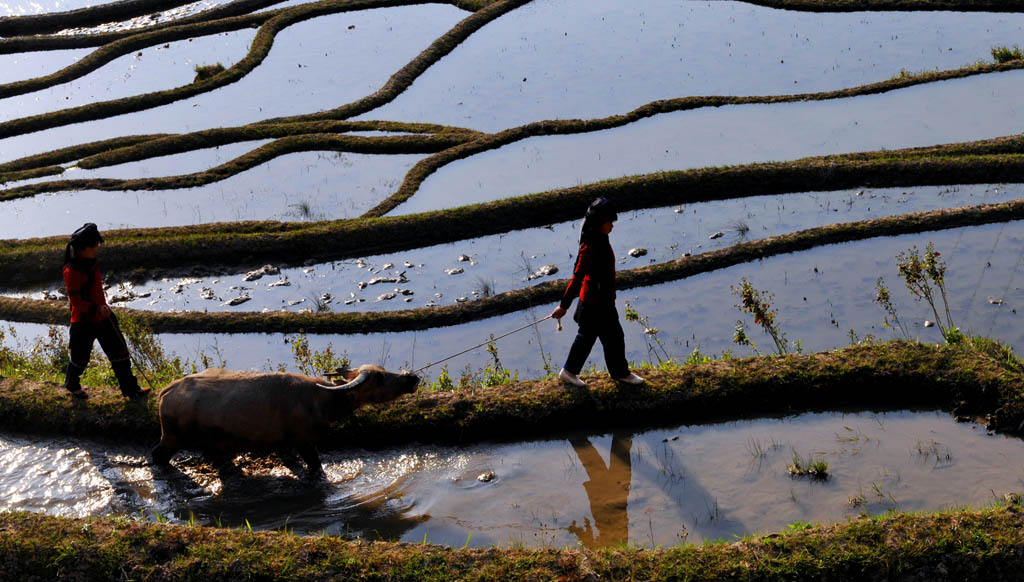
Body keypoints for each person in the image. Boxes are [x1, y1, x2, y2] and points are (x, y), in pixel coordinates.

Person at [550, 198, 644, 388]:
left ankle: (575, 372)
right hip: (595, 304)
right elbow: (577, 278)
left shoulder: (599, 239)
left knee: (601, 338)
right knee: (607, 337)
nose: (612, 226)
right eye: (609, 222)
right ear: (599, 223)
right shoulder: (589, 248)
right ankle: (617, 373)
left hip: (600, 301)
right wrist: (564, 305)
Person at [62, 223, 149, 400]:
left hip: (102, 316)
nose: (97, 248)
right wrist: (95, 308)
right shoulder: (72, 271)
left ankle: (130, 389)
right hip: (84, 321)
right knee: (80, 358)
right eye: (94, 245)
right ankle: (72, 384)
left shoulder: (92, 263)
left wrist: (103, 307)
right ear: (83, 248)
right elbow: (76, 301)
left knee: (120, 352)